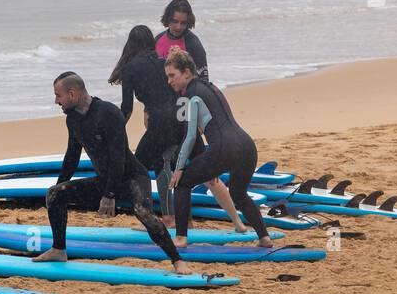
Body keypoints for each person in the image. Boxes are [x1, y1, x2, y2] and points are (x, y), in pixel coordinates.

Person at [33, 72, 187, 273]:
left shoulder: (108, 113)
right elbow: (72, 156)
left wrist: (109, 195)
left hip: (132, 177)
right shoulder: (72, 119)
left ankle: (177, 260)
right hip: (106, 180)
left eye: (58, 95)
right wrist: (59, 186)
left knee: (142, 212)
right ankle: (59, 249)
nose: (56, 101)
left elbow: (118, 158)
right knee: (54, 194)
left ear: (72, 94)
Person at [109, 25, 236, 226]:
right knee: (208, 175)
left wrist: (115, 131)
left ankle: (157, 220)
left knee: (137, 170)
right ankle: (236, 221)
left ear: (130, 45)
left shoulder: (130, 69)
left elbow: (126, 109)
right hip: (183, 122)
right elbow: (181, 93)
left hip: (159, 127)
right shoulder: (164, 64)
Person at [165, 49, 273, 248]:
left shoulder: (190, 95)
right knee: (239, 194)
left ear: (187, 72)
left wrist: (179, 168)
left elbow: (190, 136)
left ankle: (180, 237)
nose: (170, 81)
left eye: (172, 75)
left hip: (223, 148)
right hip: (247, 146)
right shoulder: (211, 87)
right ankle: (264, 237)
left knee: (181, 184)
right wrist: (207, 163)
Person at [155, 0, 208, 79]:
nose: (178, 27)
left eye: (183, 23)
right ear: (168, 18)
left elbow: (204, 80)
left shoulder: (193, 44)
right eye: (175, 21)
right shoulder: (158, 40)